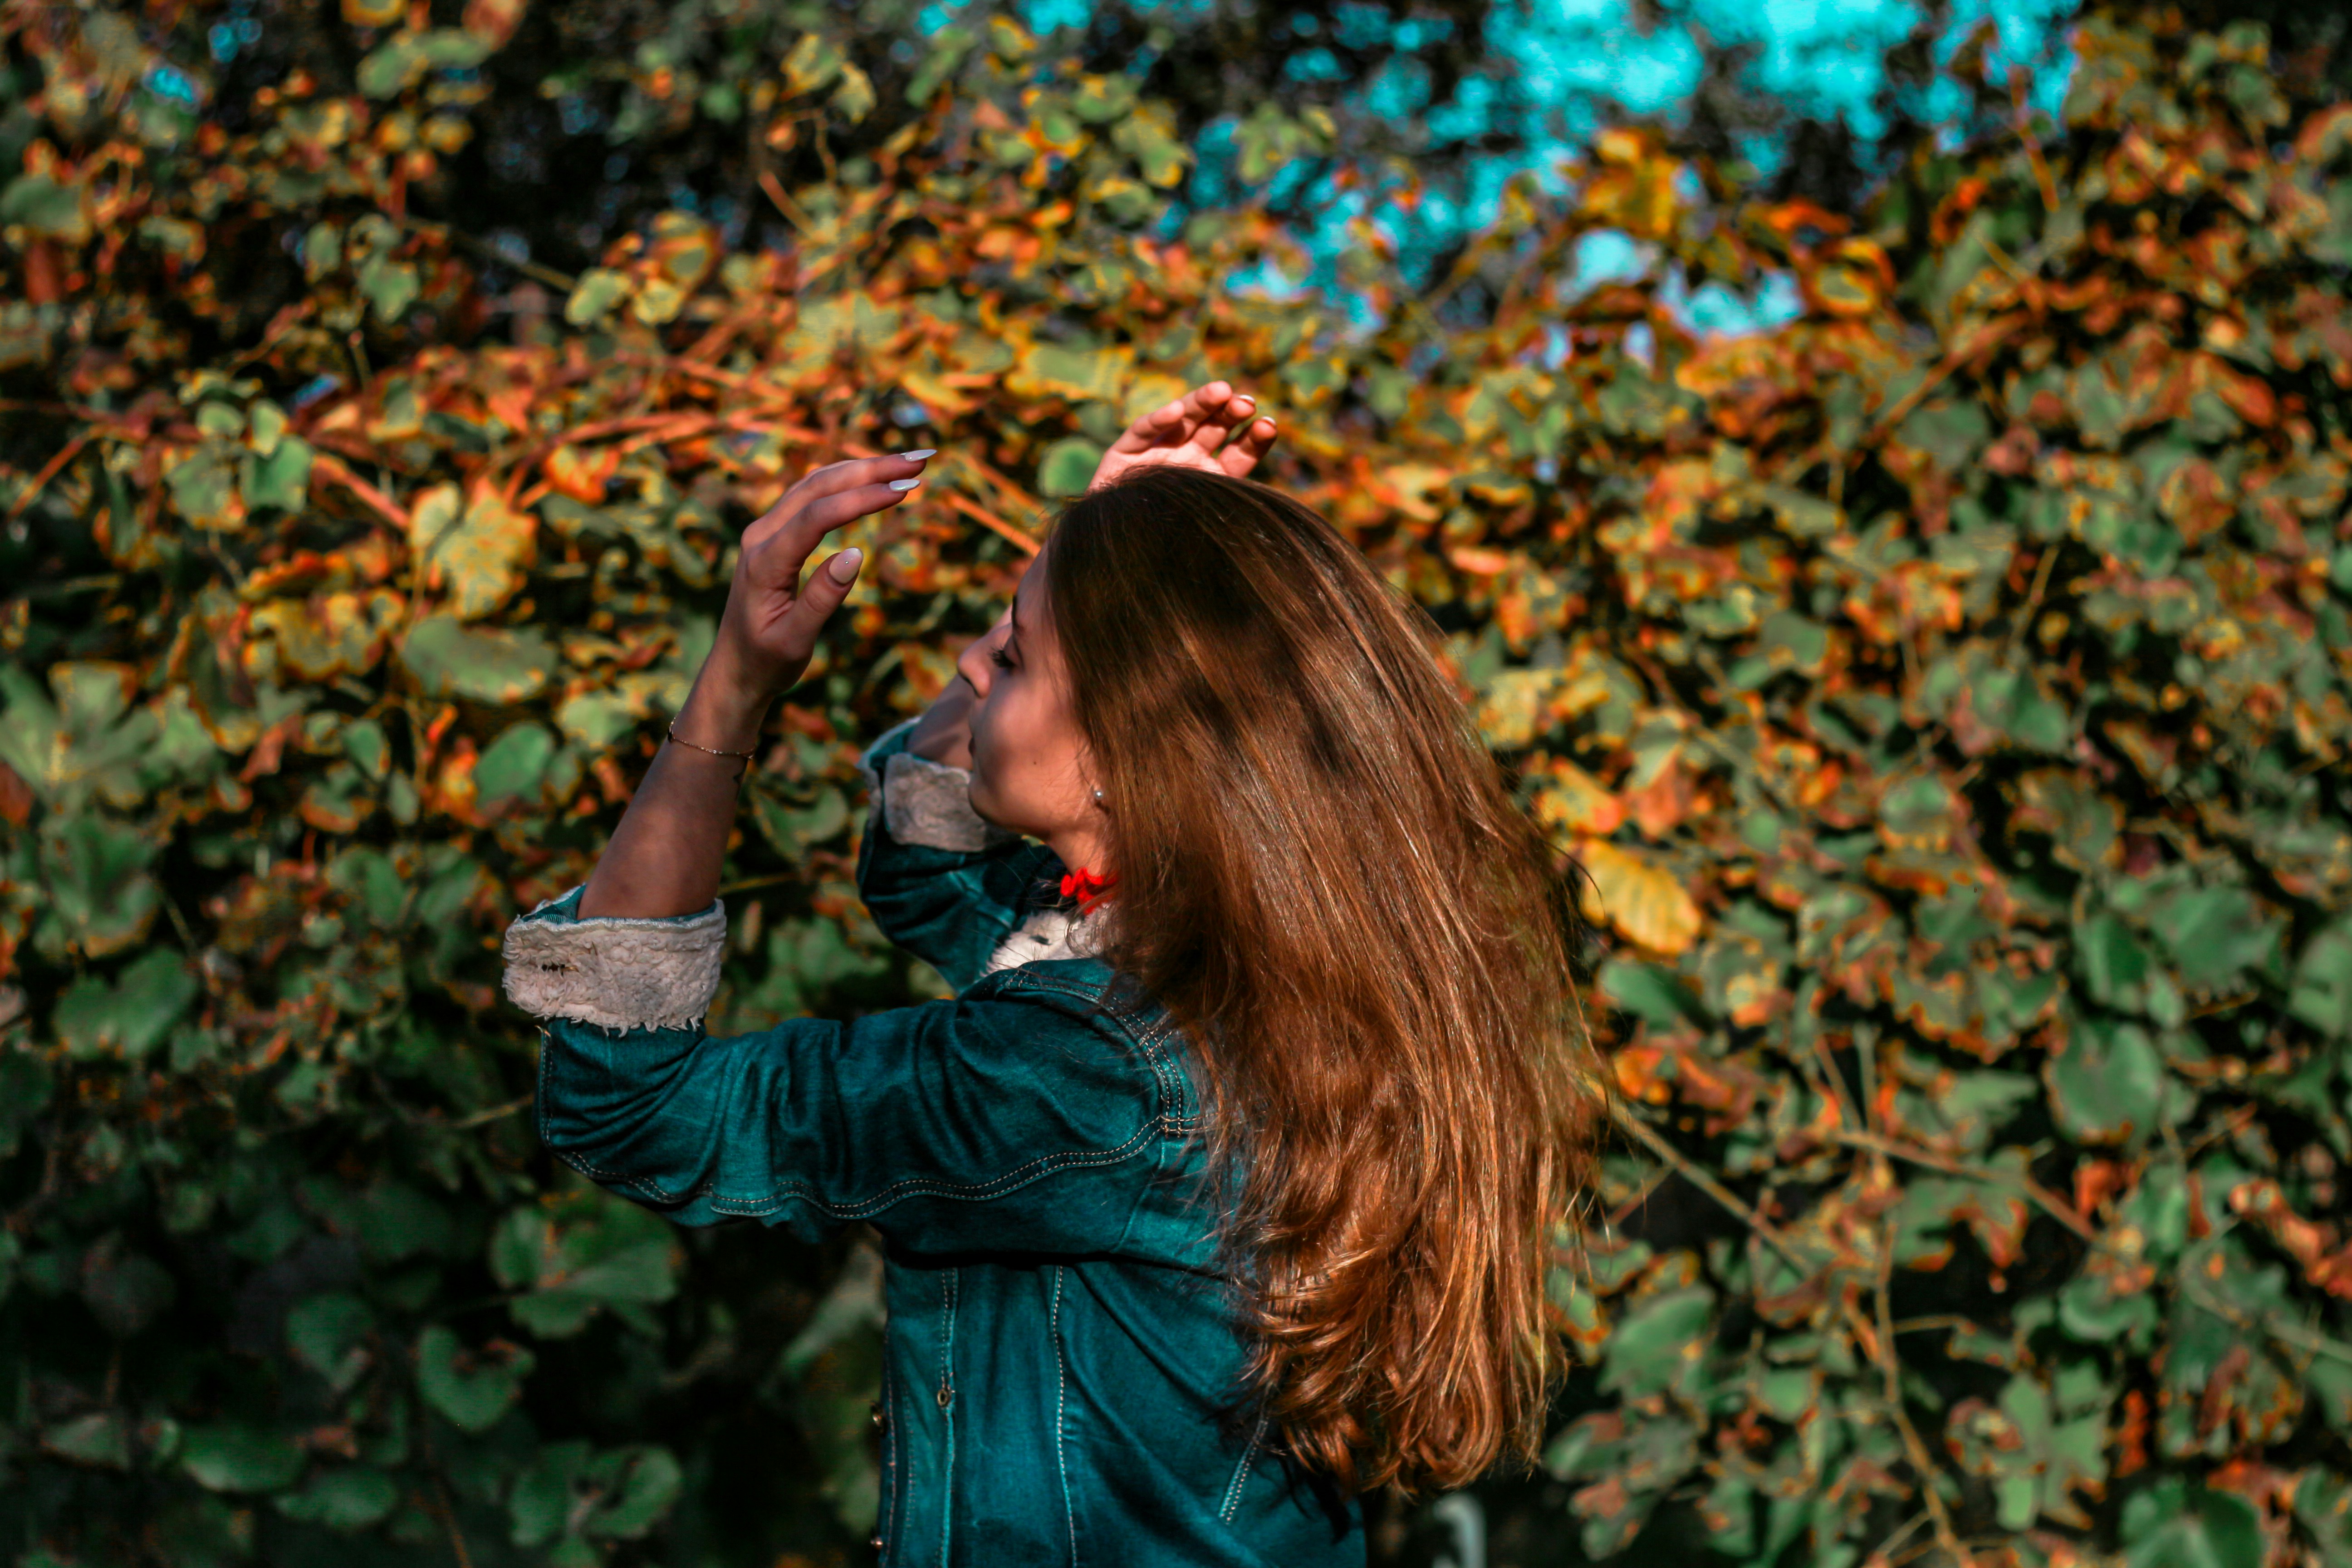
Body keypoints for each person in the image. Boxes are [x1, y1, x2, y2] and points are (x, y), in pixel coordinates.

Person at [501, 382, 1600, 1565]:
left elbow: (628, 1104)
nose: (977, 675)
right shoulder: (1265, 970)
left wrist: (726, 701)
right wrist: (1100, 559)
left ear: (1132, 755)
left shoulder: (1079, 1071)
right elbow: (926, 878)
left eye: (1014, 656)